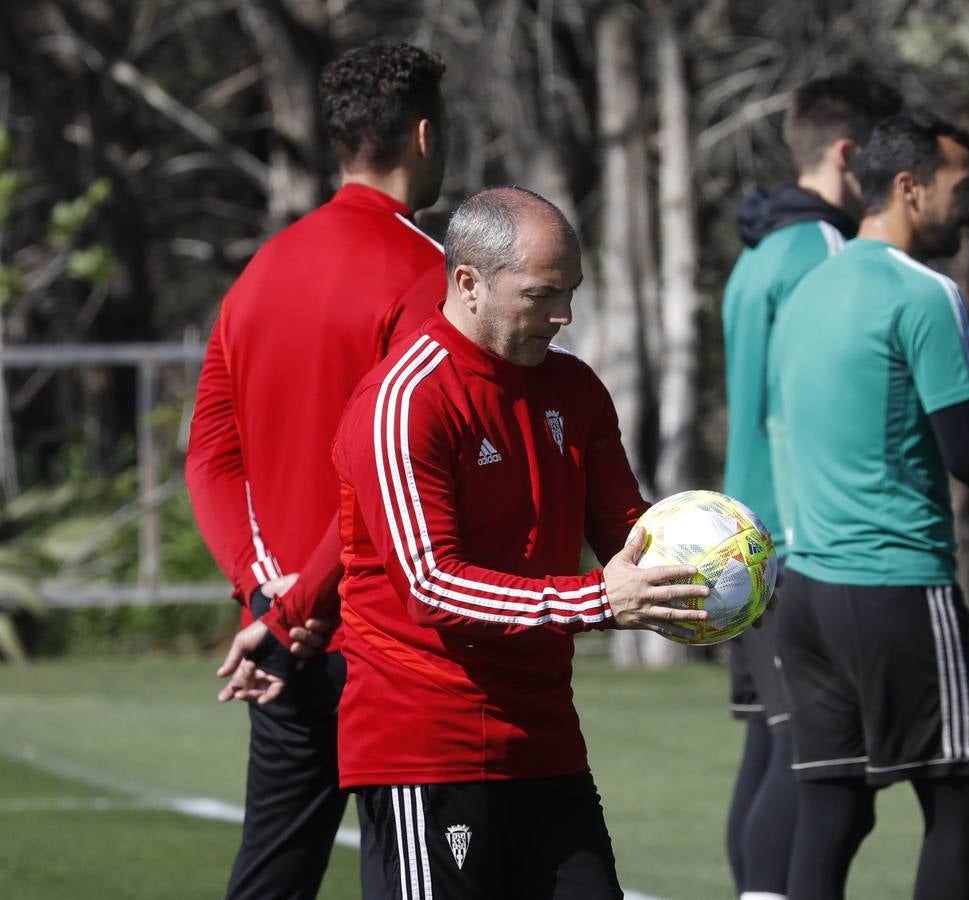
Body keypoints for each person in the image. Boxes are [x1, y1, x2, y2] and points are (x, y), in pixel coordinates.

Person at [332, 186, 711, 899]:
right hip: (429, 745)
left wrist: (715, 570)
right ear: (468, 283)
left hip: (544, 740)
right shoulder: (407, 399)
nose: (563, 314)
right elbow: (430, 585)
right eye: (543, 294)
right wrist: (599, 599)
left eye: (570, 292)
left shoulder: (574, 386)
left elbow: (626, 528)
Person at [767, 111, 969, 900]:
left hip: (804, 593)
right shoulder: (926, 293)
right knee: (963, 804)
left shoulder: (808, 289)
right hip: (895, 588)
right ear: (909, 188)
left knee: (833, 813)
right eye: (961, 188)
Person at [185, 41, 448, 899]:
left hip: (286, 641)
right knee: (409, 878)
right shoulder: (428, 277)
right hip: (388, 639)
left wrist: (265, 597)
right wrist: (300, 600)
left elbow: (211, 457)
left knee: (271, 877)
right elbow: (395, 481)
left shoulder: (260, 272)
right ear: (422, 135)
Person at [720, 72, 900, 900]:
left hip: (741, 535)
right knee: (819, 765)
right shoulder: (830, 254)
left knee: (772, 747)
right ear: (847, 153)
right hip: (799, 540)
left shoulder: (756, 257)